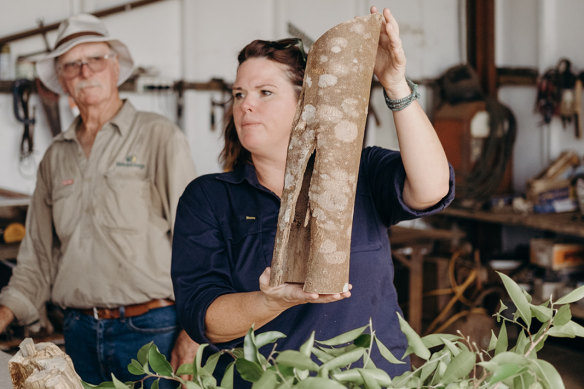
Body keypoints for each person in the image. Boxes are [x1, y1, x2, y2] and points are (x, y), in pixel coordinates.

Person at [171, 6, 454, 385]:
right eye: (238, 94)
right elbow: (203, 316)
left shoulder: (360, 173)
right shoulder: (208, 199)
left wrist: (395, 85)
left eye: (264, 92)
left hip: (373, 380)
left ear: (306, 105)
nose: (245, 105)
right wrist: (272, 301)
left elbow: (432, 188)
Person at [0, 13, 199, 385]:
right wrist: (4, 313)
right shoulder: (54, 157)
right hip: (77, 332)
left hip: (153, 330)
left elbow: (198, 248)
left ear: (116, 67)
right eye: (72, 64)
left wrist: (191, 338)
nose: (84, 71)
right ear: (61, 79)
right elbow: (37, 259)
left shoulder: (159, 137)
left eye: (95, 59)